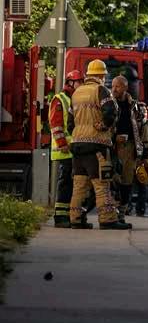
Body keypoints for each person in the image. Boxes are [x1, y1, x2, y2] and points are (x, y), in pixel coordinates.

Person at [67, 60, 130, 230]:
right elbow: (111, 112)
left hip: (77, 145)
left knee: (79, 185)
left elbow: (70, 123)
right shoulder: (101, 90)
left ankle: (76, 219)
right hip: (96, 145)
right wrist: (104, 126)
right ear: (101, 75)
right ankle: (108, 219)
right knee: (102, 184)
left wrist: (79, 132)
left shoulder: (77, 93)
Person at [47, 70, 84, 228]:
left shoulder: (76, 98)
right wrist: (62, 143)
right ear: (70, 83)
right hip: (65, 149)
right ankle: (60, 217)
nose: (80, 85)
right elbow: (55, 124)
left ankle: (71, 215)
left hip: (75, 148)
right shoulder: (60, 99)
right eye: (78, 82)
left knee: (74, 184)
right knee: (65, 183)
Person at [110, 74, 148, 222]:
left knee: (127, 182)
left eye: (117, 86)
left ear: (125, 88)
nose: (114, 89)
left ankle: (122, 213)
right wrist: (114, 138)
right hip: (112, 148)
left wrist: (144, 155)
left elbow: (143, 130)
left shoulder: (136, 107)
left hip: (130, 148)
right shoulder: (108, 104)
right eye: (113, 86)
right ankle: (112, 213)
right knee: (113, 181)